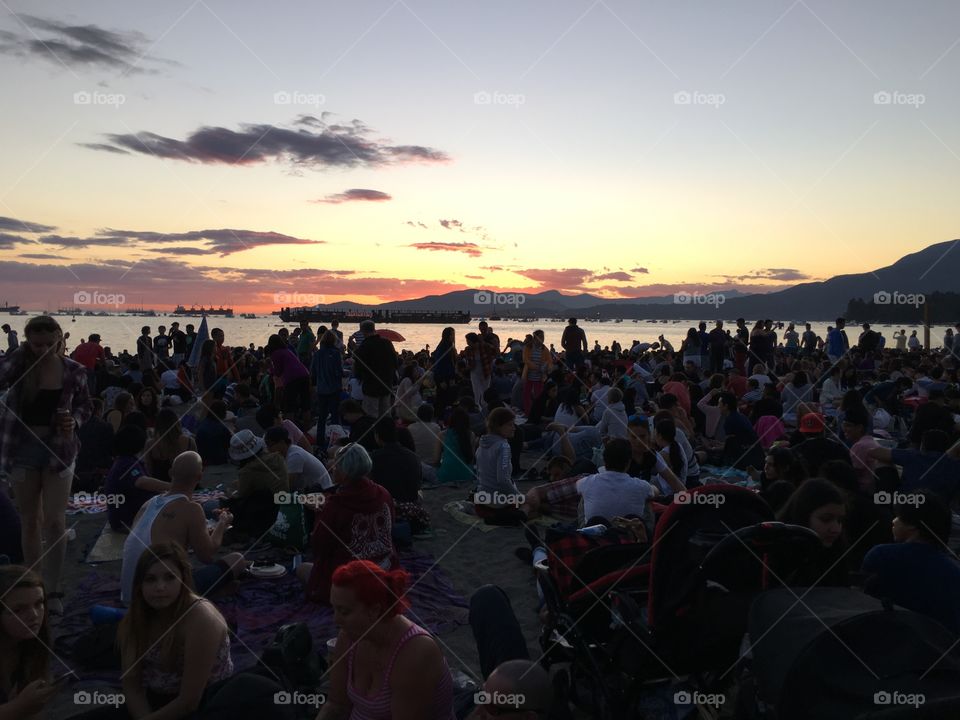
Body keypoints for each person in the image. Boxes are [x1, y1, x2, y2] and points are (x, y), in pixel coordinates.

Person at [96, 543, 285, 720]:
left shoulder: (200, 619)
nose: (160, 587)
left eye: (170, 577)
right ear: (140, 585)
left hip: (206, 703)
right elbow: (132, 686)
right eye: (150, 579)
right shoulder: (136, 618)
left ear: (183, 580)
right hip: (156, 701)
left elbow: (189, 702)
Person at [0, 315, 92, 616]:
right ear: (27, 341)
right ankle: (33, 582)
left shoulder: (74, 371)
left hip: (60, 451)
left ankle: (53, 588)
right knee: (30, 520)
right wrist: (18, 353)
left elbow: (85, 407)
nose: (41, 350)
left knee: (54, 521)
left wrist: (74, 421)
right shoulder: (17, 365)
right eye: (35, 344)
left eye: (47, 344)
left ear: (59, 339)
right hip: (22, 449)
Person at [317, 560, 456, 719]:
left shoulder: (415, 653)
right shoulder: (349, 636)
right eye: (334, 608)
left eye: (344, 612)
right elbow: (337, 704)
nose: (336, 620)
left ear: (375, 610)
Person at [120, 452, 247, 605]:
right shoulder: (191, 509)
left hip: (129, 596)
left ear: (170, 473)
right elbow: (206, 556)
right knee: (237, 560)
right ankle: (200, 596)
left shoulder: (148, 504)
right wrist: (223, 523)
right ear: (200, 477)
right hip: (161, 598)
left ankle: (210, 593)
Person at [299, 444, 398, 604]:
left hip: (350, 577)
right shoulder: (383, 493)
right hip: (385, 570)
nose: (332, 468)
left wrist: (320, 513)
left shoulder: (336, 505)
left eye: (336, 465)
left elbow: (320, 546)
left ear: (345, 473)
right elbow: (390, 526)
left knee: (302, 569)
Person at [861, 492, 960, 633]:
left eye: (899, 517)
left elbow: (863, 604)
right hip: (937, 647)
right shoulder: (954, 571)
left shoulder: (881, 555)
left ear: (912, 526)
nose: (893, 521)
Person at [0, 566, 57, 720]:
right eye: (18, 610)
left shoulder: (30, 646)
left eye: (39, 603)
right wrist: (17, 707)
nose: (34, 615)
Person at [777, 478, 849, 586]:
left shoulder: (836, 552)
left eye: (840, 521)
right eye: (826, 519)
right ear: (802, 516)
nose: (836, 529)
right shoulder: (775, 555)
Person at [577, 438, 662, 524]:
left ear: (604, 460)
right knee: (647, 499)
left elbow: (578, 486)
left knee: (584, 496)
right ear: (629, 462)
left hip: (594, 536)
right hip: (631, 534)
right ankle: (647, 536)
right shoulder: (640, 486)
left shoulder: (588, 481)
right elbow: (655, 492)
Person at [104, 425, 171, 531]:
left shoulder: (126, 461)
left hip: (128, 517)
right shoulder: (126, 464)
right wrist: (171, 486)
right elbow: (141, 482)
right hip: (128, 521)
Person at [224, 429, 289, 537]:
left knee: (231, 504)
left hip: (268, 509)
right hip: (284, 503)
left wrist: (229, 493)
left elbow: (241, 494)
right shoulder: (277, 458)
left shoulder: (247, 470)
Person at [354, 320, 398, 419]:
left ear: (363, 331)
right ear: (374, 329)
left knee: (370, 416)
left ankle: (373, 434)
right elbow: (395, 363)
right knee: (386, 416)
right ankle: (386, 433)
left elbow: (358, 370)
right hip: (386, 385)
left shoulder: (364, 347)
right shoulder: (387, 343)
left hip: (371, 387)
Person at [264, 426, 331, 492]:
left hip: (323, 492)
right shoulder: (289, 452)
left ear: (282, 442)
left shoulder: (295, 455)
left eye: (270, 445)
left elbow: (287, 486)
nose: (268, 449)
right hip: (313, 490)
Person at [266, 334, 311, 427]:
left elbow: (277, 372)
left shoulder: (275, 353)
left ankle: (290, 428)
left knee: (289, 405)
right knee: (305, 403)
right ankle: (307, 427)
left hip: (292, 378)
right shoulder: (287, 350)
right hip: (305, 374)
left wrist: (269, 365)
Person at [310, 330, 343, 452]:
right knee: (335, 416)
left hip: (321, 388)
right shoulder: (336, 353)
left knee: (322, 417)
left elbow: (313, 372)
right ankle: (335, 442)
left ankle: (320, 442)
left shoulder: (317, 354)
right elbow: (338, 372)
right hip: (334, 388)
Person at [146, 408, 198, 483]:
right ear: (176, 422)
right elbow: (196, 468)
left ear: (157, 424)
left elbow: (148, 472)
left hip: (160, 488)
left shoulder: (150, 444)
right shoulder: (189, 441)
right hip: (185, 487)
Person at [435, 407, 477, 486]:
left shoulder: (442, 434)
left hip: (445, 476)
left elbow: (436, 460)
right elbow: (471, 458)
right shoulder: (471, 435)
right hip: (467, 475)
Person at [521, 330, 552, 415]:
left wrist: (548, 368)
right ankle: (528, 413)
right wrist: (536, 367)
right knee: (526, 396)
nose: (542, 339)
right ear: (535, 338)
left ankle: (538, 413)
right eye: (540, 337)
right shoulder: (528, 347)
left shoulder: (544, 349)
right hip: (528, 376)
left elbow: (549, 361)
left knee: (539, 396)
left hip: (540, 377)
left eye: (543, 337)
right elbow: (525, 359)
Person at [194, 400, 232, 466]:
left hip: (202, 458)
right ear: (223, 413)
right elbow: (228, 444)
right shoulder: (222, 428)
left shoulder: (202, 423)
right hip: (218, 460)